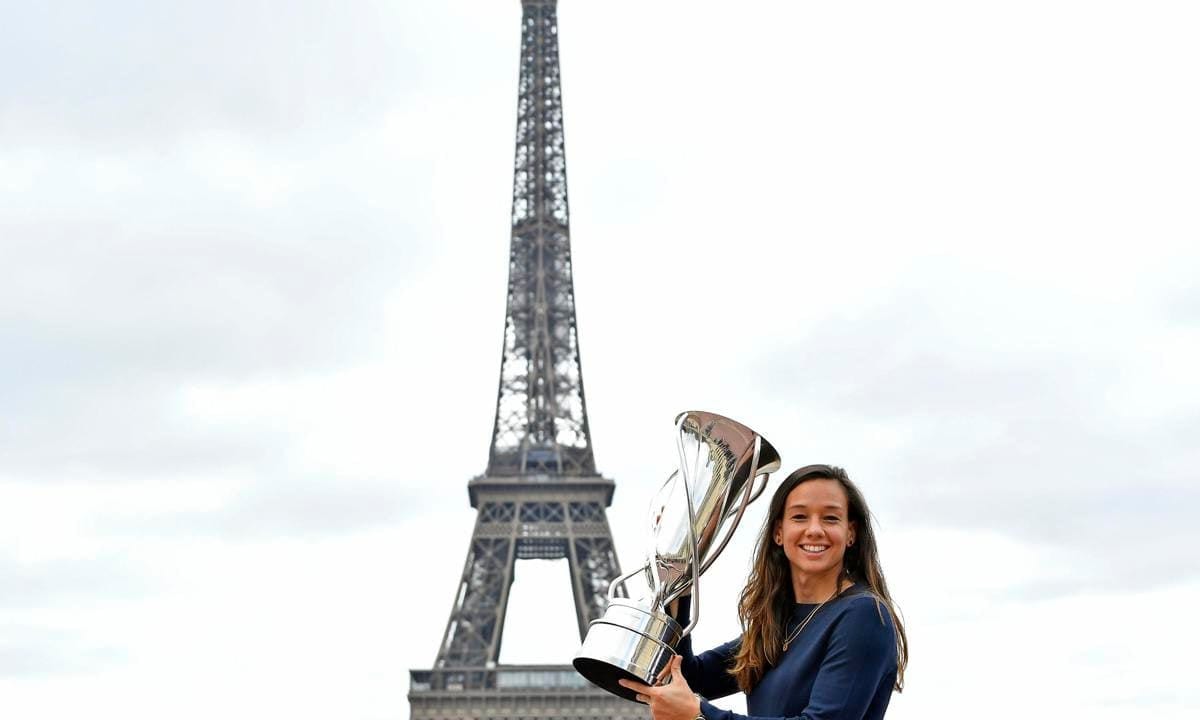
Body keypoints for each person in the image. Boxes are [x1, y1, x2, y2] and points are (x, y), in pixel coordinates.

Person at [619, 464, 908, 720]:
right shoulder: (778, 623)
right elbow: (693, 677)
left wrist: (700, 714)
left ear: (851, 533)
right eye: (799, 517)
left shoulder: (865, 616)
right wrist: (679, 576)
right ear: (778, 532)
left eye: (831, 518)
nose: (815, 530)